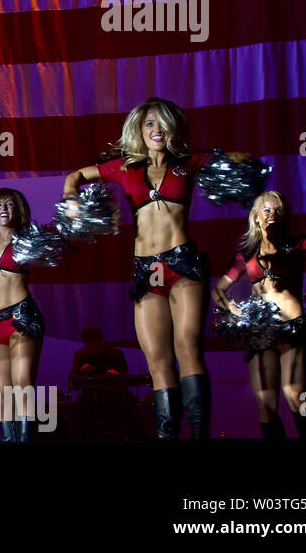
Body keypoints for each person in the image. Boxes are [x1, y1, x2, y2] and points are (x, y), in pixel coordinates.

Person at [62, 97, 251, 439]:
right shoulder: (124, 167)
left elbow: (239, 161)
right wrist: (72, 201)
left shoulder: (189, 162)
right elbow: (74, 177)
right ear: (140, 129)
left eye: (162, 123)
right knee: (157, 360)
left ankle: (198, 434)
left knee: (187, 346)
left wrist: (240, 167)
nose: (156, 130)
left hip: (183, 262)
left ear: (172, 127)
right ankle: (167, 436)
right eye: (149, 124)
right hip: (147, 269)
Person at [213, 191, 306, 439]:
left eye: (278, 211)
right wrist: (231, 308)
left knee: (294, 392)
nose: (273, 215)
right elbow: (219, 290)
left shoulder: (298, 245)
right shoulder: (246, 255)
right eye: (267, 210)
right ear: (256, 217)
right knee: (266, 404)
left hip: (293, 327)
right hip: (260, 335)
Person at [0, 189, 45, 442]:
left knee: (22, 383)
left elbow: (46, 252)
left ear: (18, 210)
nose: (4, 208)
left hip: (21, 319)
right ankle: (8, 449)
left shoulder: (27, 240)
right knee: (2, 393)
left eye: (10, 204)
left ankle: (25, 447)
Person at [70, 325, 130, 440]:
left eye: (95, 342)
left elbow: (126, 376)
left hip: (115, 395)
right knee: (85, 407)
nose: (92, 347)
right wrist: (80, 371)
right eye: (89, 343)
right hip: (90, 396)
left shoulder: (115, 353)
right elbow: (72, 377)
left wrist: (115, 376)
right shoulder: (81, 354)